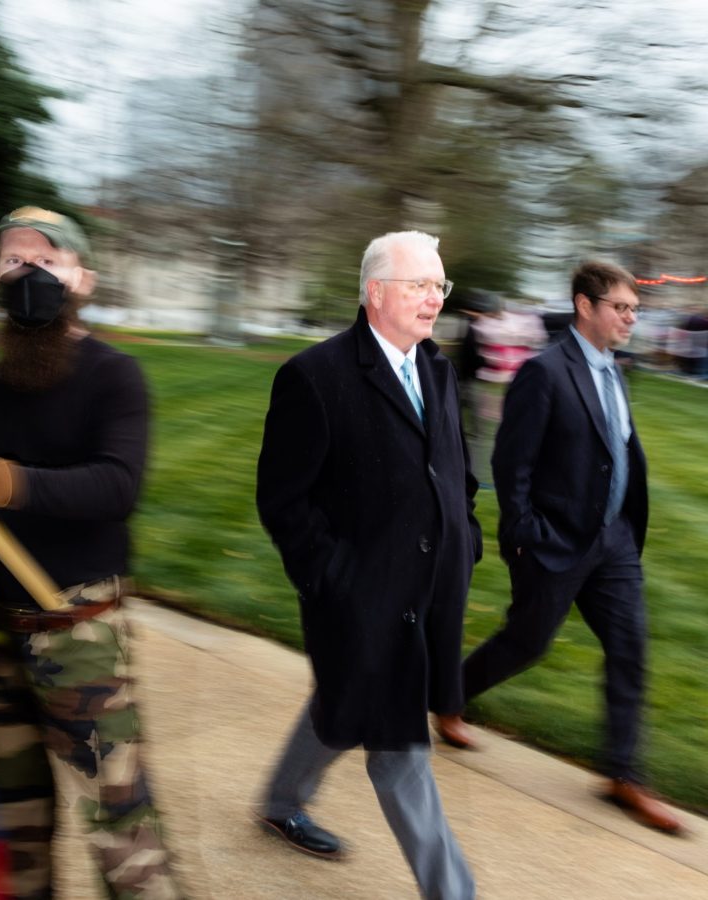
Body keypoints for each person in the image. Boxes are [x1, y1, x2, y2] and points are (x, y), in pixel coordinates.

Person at [0, 206, 182, 898]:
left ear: (82, 279)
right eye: (15, 260)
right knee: (11, 826)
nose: (29, 274)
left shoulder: (115, 376)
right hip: (1, 638)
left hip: (81, 638)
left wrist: (3, 482)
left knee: (123, 831)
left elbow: (116, 486)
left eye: (47, 260)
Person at [255, 231, 482, 898]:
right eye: (420, 285)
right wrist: (334, 584)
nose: (435, 298)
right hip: (358, 599)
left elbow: (457, 472)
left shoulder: (437, 370)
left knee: (343, 697)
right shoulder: (314, 377)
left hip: (429, 594)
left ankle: (281, 800)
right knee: (398, 750)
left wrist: (465, 536)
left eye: (440, 285)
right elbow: (283, 501)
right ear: (376, 292)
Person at [436, 261, 684, 835]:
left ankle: (624, 775)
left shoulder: (616, 373)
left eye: (635, 310)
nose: (631, 318)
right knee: (527, 641)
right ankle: (447, 696)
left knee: (630, 647)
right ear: (585, 305)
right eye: (621, 308)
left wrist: (625, 527)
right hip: (556, 540)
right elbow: (512, 462)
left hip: (614, 542)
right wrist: (524, 534)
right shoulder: (544, 373)